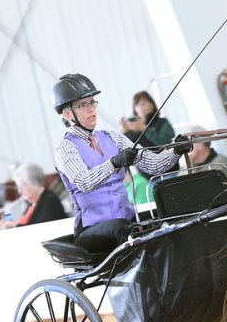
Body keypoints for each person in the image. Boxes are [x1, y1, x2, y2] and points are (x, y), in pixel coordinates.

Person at [53, 73, 192, 254]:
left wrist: (175, 150)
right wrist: (114, 163)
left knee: (164, 218)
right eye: (83, 105)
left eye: (92, 102)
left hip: (126, 221)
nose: (91, 109)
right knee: (123, 228)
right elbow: (84, 182)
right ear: (67, 113)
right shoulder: (65, 148)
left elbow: (154, 165)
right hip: (92, 229)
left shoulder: (114, 138)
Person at [0, 163, 68, 230]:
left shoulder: (50, 201)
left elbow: (39, 230)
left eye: (21, 187)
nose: (19, 191)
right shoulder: (32, 204)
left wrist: (14, 225)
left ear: (34, 184)